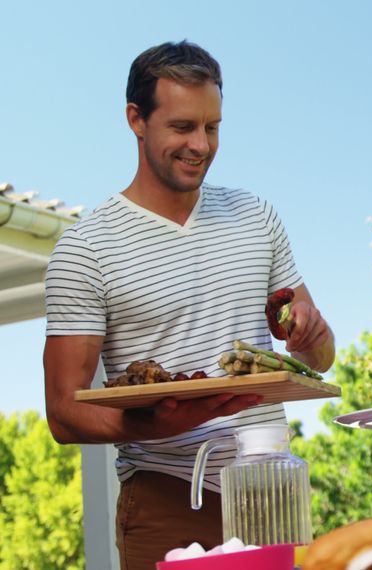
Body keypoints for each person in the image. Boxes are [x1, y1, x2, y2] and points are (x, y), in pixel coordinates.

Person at [43, 40, 335, 569]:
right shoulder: (87, 247)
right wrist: (161, 425)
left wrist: (312, 335)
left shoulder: (256, 216)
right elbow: (64, 412)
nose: (200, 144)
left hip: (271, 493)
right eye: (182, 127)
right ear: (136, 118)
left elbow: (319, 360)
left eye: (213, 127)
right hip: (167, 496)